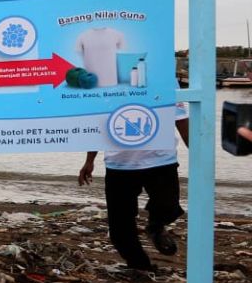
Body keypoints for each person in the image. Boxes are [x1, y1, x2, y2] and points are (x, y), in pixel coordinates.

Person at [78, 102, 189, 273]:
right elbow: (98, 124)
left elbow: (180, 119)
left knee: (168, 206)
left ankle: (155, 227)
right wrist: (89, 160)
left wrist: (198, 152)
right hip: (119, 165)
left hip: (161, 160)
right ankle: (140, 266)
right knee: (119, 227)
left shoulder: (164, 80)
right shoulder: (107, 83)